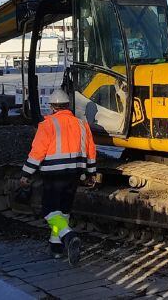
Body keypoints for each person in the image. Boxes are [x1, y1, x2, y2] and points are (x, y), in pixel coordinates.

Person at [18, 89, 97, 265]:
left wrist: (26, 173)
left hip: (53, 175)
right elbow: (91, 150)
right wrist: (91, 173)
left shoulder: (47, 125)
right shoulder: (81, 124)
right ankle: (56, 248)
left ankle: (69, 237)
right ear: (68, 106)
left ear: (53, 107)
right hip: (75, 173)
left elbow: (38, 152)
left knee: (49, 211)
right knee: (63, 212)